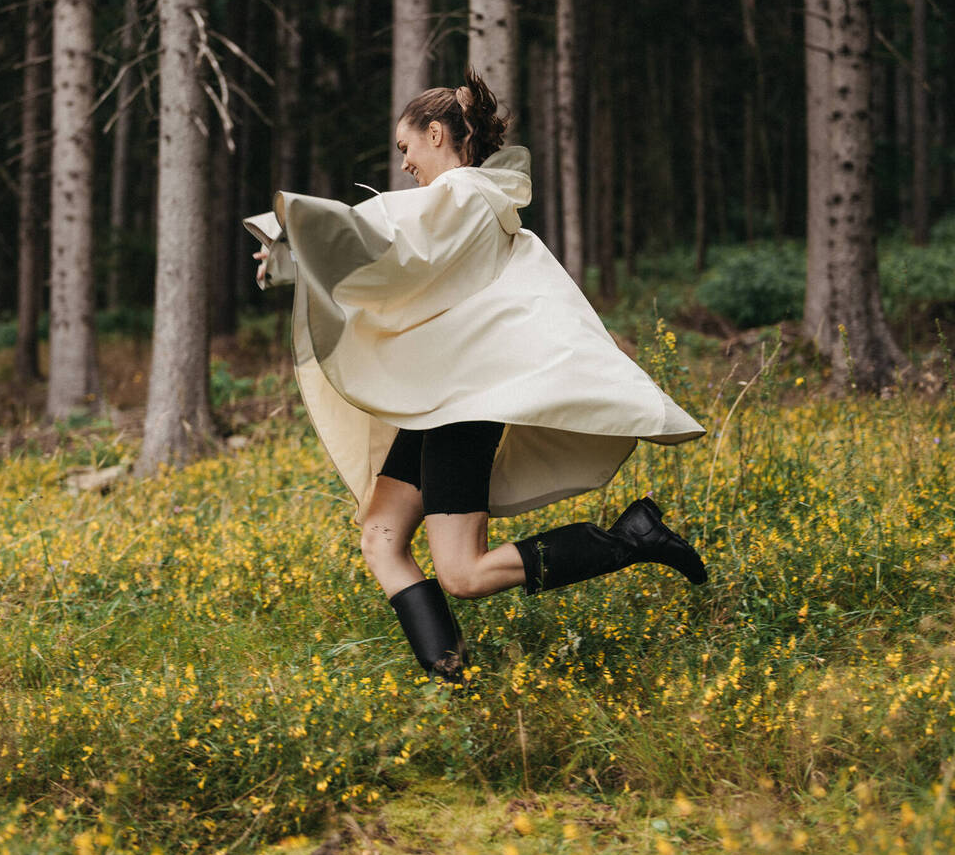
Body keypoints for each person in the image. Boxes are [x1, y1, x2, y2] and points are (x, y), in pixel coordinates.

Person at [249, 68, 707, 682]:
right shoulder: (462, 206)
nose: (404, 163)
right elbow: (390, 254)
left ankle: (632, 539)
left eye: (405, 147)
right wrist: (288, 253)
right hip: (442, 402)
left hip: (461, 411)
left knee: (462, 573)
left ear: (436, 133)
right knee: (380, 537)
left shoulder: (463, 196)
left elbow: (379, 239)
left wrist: (291, 235)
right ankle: (451, 678)